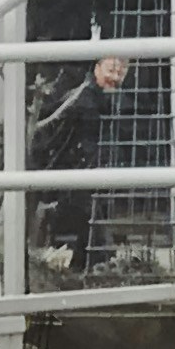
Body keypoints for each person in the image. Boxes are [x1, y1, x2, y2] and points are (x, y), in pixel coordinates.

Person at [30, 51, 131, 274]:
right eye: (111, 70)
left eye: (121, 71)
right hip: (77, 171)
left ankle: (85, 264)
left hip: (97, 170)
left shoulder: (112, 99)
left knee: (93, 218)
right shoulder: (82, 99)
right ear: (97, 68)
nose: (116, 77)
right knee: (88, 217)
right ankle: (91, 263)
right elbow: (61, 136)